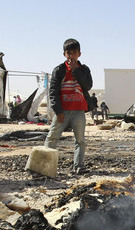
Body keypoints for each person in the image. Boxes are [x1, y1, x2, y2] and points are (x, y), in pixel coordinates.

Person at [44, 38, 93, 175]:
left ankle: (78, 166)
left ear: (79, 54)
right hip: (63, 111)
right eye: (69, 53)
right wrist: (58, 111)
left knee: (80, 140)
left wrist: (76, 70)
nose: (71, 56)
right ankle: (45, 167)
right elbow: (53, 92)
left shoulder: (84, 70)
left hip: (78, 111)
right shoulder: (59, 70)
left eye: (74, 52)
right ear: (64, 54)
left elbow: (87, 86)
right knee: (52, 137)